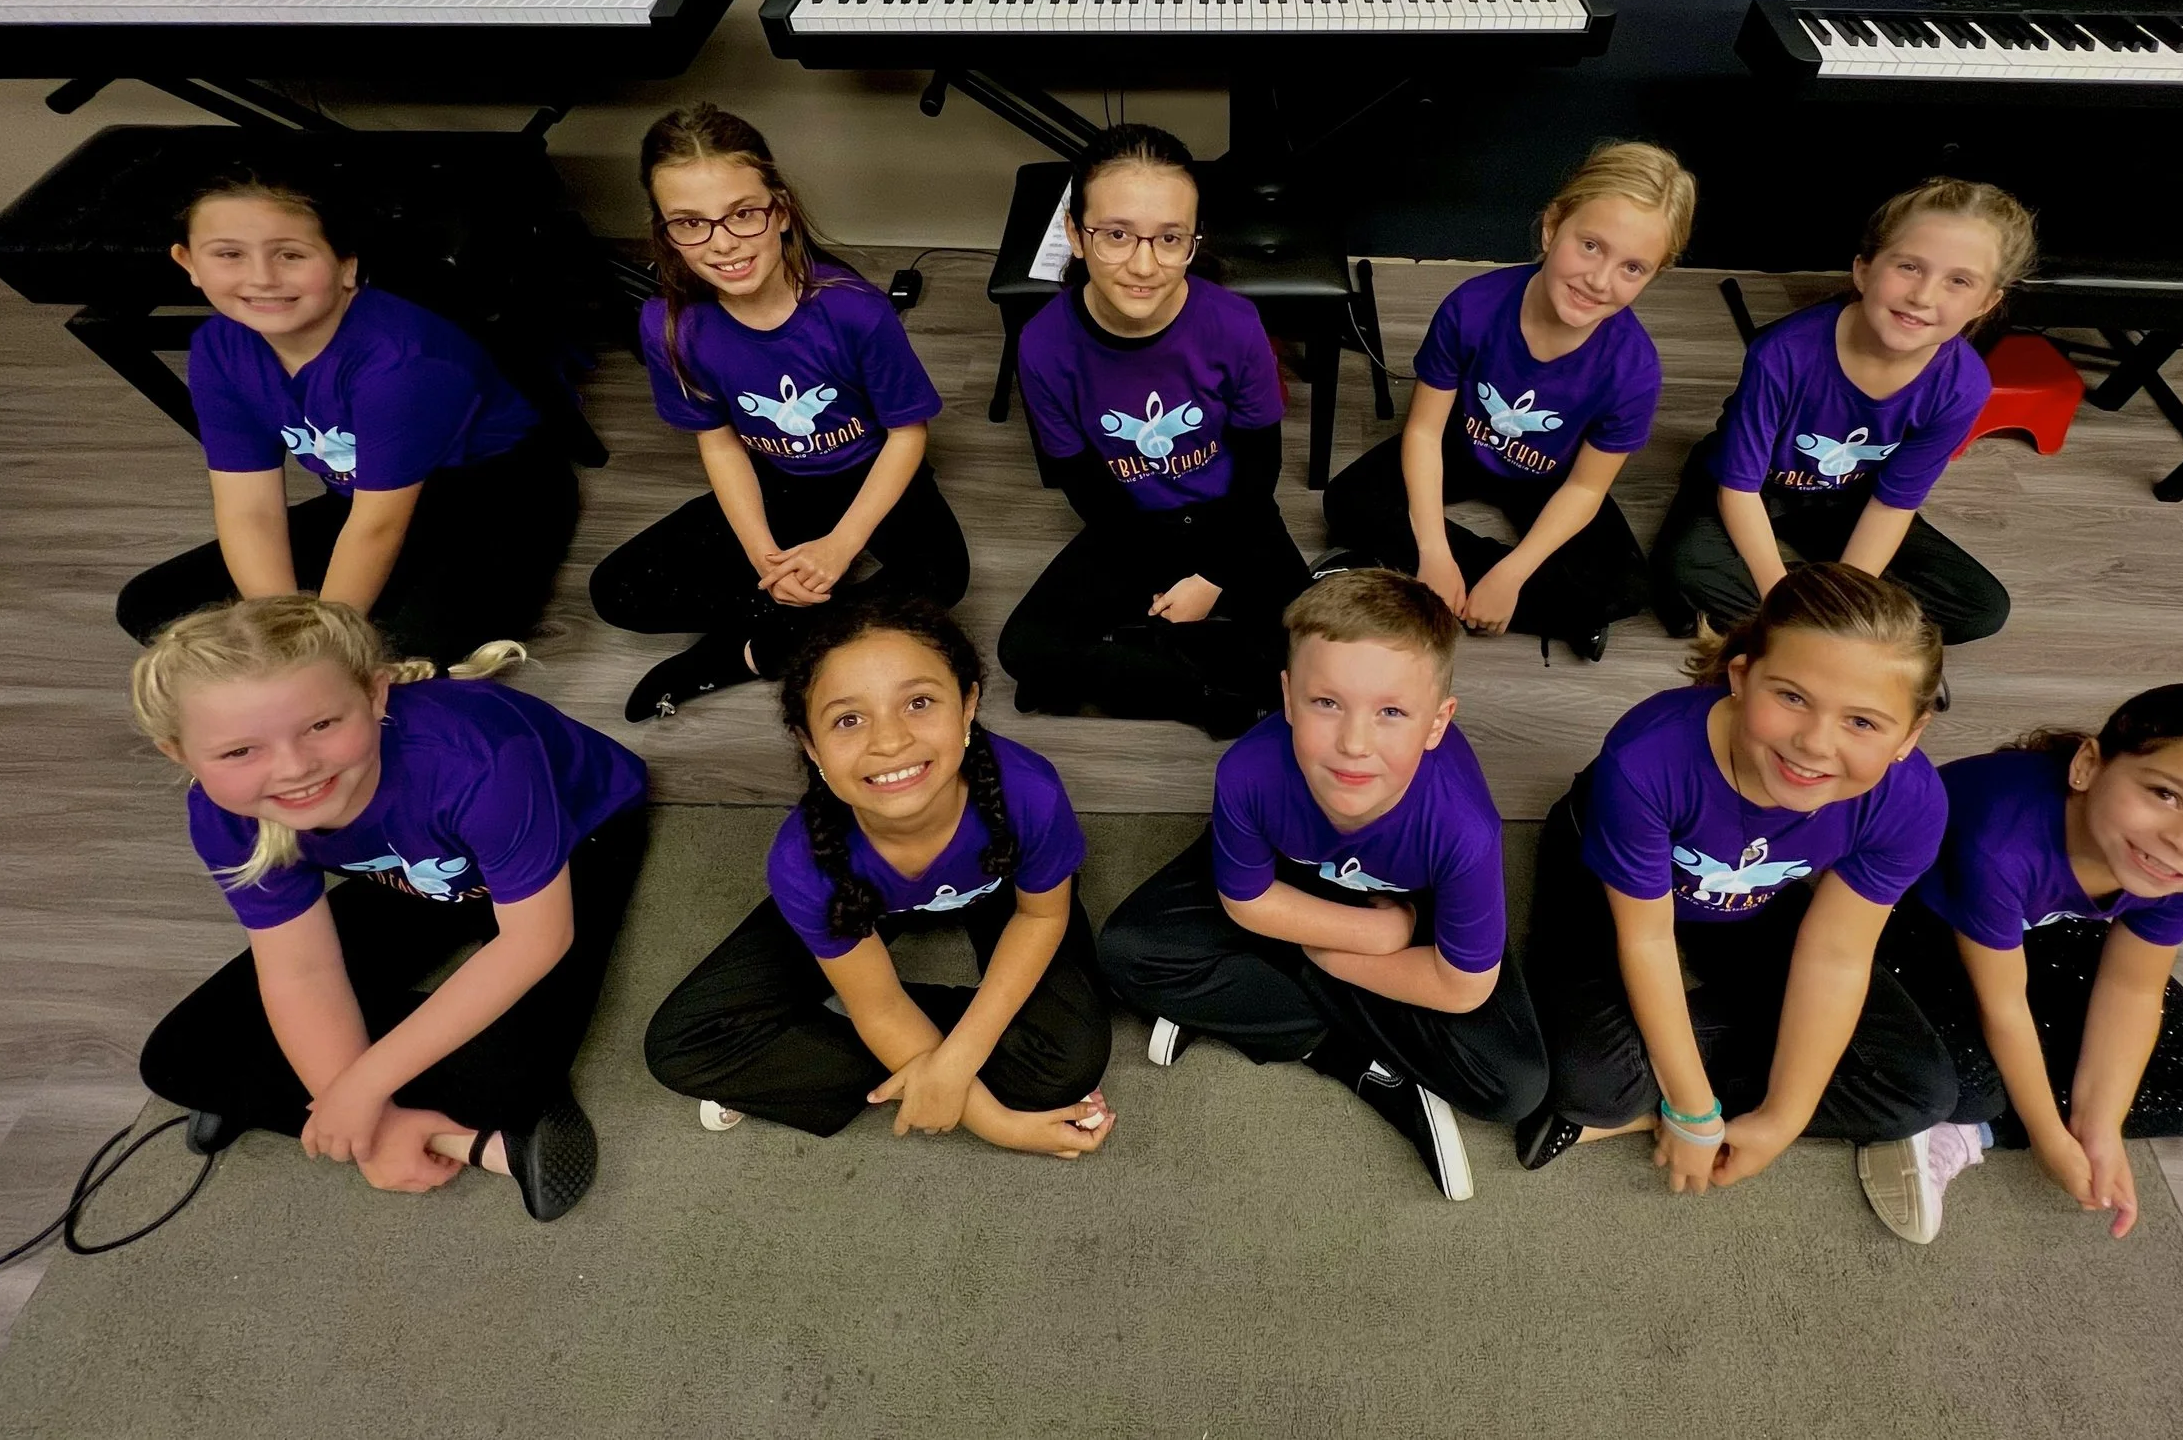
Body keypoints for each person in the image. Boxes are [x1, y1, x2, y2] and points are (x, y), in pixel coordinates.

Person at [133, 596, 647, 1222]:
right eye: (240, 752)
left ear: (376, 696)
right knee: (174, 1058)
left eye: (321, 725)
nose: (294, 769)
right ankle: (453, 1134)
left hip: (580, 837)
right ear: (179, 753)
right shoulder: (221, 815)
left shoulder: (479, 758)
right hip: (404, 874)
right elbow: (300, 971)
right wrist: (360, 1116)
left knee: (508, 1076)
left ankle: (278, 1090)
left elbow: (534, 942)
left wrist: (363, 1087)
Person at [1098, 569, 1547, 1201]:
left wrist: (1326, 950)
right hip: (1298, 884)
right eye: (1326, 703)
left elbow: (1463, 987)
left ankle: (1252, 992)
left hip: (1404, 904)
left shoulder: (1464, 829)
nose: (1353, 743)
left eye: (1391, 712)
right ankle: (1355, 1060)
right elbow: (1246, 898)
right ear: (1287, 697)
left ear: (1437, 723)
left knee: (1513, 1085)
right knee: (1125, 952)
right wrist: (1374, 933)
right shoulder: (1250, 772)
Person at [1516, 564, 1958, 1205]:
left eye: (1862, 723)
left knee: (1921, 1089)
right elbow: (1646, 940)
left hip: (1754, 902)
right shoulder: (1646, 760)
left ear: (1910, 737)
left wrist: (1784, 1118)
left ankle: (1633, 1111)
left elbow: (1835, 954)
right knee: (1586, 1080)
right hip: (1609, 881)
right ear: (1741, 676)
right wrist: (1695, 1111)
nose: (1814, 744)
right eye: (1792, 697)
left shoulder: (1912, 803)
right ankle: (1636, 1099)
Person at [643, 596, 1115, 1155]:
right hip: (858, 899)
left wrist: (953, 1062)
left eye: (918, 702)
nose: (889, 742)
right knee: (682, 1046)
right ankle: (938, 1053)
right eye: (848, 719)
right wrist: (992, 1120)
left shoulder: (1029, 793)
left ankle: (840, 1046)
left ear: (968, 706)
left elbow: (1041, 916)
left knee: (1068, 1061)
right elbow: (880, 1008)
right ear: (809, 743)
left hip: (1002, 892)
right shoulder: (804, 861)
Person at [1858, 683, 2183, 1243]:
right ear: (2088, 766)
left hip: (2039, 934)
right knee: (1969, 1084)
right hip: (1912, 925)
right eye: (2167, 795)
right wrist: (2050, 1136)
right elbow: (2003, 1006)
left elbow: (2132, 990)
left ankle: (1992, 1123)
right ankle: (1974, 1123)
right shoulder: (1999, 844)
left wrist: (2100, 1128)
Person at [116, 155, 580, 666]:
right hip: (361, 495)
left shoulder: (403, 363)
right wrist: (281, 623)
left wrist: (322, 647)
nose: (262, 278)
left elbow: (377, 526)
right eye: (228, 254)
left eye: (290, 255)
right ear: (188, 264)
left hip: (494, 498)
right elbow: (249, 509)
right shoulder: (218, 351)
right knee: (151, 608)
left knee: (409, 651)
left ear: (346, 266)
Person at [588, 104, 966, 721]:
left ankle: (752, 650)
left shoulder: (853, 310)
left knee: (943, 577)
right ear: (665, 232)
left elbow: (906, 433)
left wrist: (841, 547)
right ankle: (803, 617)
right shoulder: (667, 325)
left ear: (780, 211)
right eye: (691, 223)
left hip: (869, 470)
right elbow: (719, 441)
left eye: (742, 214)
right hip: (775, 478)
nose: (723, 243)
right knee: (616, 593)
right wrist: (767, 558)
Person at [1322, 142, 1691, 662]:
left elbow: (1586, 487)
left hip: (1551, 472)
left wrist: (1512, 573)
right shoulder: (1472, 306)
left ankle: (1414, 573)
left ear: (1653, 276)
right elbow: (1425, 433)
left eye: (1633, 268)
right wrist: (1433, 552)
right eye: (1590, 246)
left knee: (1626, 589)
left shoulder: (1634, 370)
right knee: (1346, 501)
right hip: (1461, 439)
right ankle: (1528, 600)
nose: (1599, 281)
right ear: (1551, 226)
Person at [999, 123, 1310, 740]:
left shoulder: (1234, 323)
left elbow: (1258, 468)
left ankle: (1164, 664)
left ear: (1194, 241)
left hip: (1232, 516)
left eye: (1170, 239)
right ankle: (1205, 693)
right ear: (1075, 235)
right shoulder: (1043, 344)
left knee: (1314, 654)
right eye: (1116, 235)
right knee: (1023, 650)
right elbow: (1083, 481)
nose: (1144, 265)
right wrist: (1161, 570)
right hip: (1130, 525)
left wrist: (1211, 577)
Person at [1648, 176, 2036, 646]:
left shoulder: (1963, 386)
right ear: (1864, 271)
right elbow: (1739, 489)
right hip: (1751, 487)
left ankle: (1804, 628)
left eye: (1958, 281)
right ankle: (1838, 629)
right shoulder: (1783, 353)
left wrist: (1843, 599)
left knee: (1981, 607)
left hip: (1849, 497)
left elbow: (1893, 504)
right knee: (1687, 572)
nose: (1924, 296)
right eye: (1909, 267)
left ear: (1986, 302)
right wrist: (1785, 595)